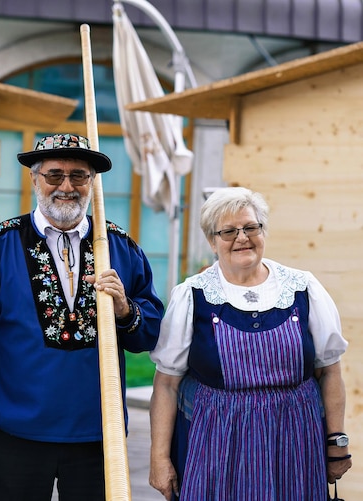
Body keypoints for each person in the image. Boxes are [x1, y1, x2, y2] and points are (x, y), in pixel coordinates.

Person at [0, 133, 165, 500]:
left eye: (79, 175)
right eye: (54, 175)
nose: (66, 186)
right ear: (34, 179)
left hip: (98, 435)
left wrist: (125, 309)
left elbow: (148, 335)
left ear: (92, 183)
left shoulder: (120, 247)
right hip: (12, 436)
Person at [148, 186, 352, 501]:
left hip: (294, 439)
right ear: (211, 241)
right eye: (228, 231)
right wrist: (159, 458)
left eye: (251, 227)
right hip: (217, 441)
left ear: (263, 231)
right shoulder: (192, 295)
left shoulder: (303, 288)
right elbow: (166, 385)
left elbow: (330, 372)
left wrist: (336, 443)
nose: (242, 237)